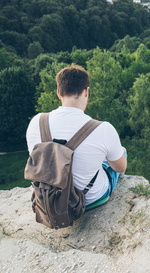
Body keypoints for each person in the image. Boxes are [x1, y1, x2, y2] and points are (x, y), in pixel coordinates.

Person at [26, 64, 127, 205]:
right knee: (120, 153)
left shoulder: (37, 122)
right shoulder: (104, 129)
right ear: (86, 92)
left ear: (58, 93)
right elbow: (120, 168)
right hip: (88, 200)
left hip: (49, 199)